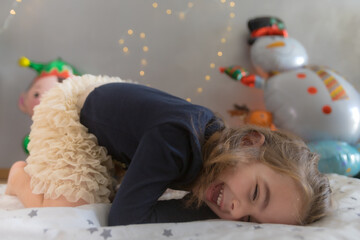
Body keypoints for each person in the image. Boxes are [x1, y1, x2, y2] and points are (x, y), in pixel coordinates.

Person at [6, 75, 331, 226]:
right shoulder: (178, 141)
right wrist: (204, 213)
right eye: (256, 192)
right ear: (248, 143)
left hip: (116, 123)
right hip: (74, 110)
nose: (234, 209)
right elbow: (125, 218)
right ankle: (21, 177)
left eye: (248, 219)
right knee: (74, 209)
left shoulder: (213, 159)